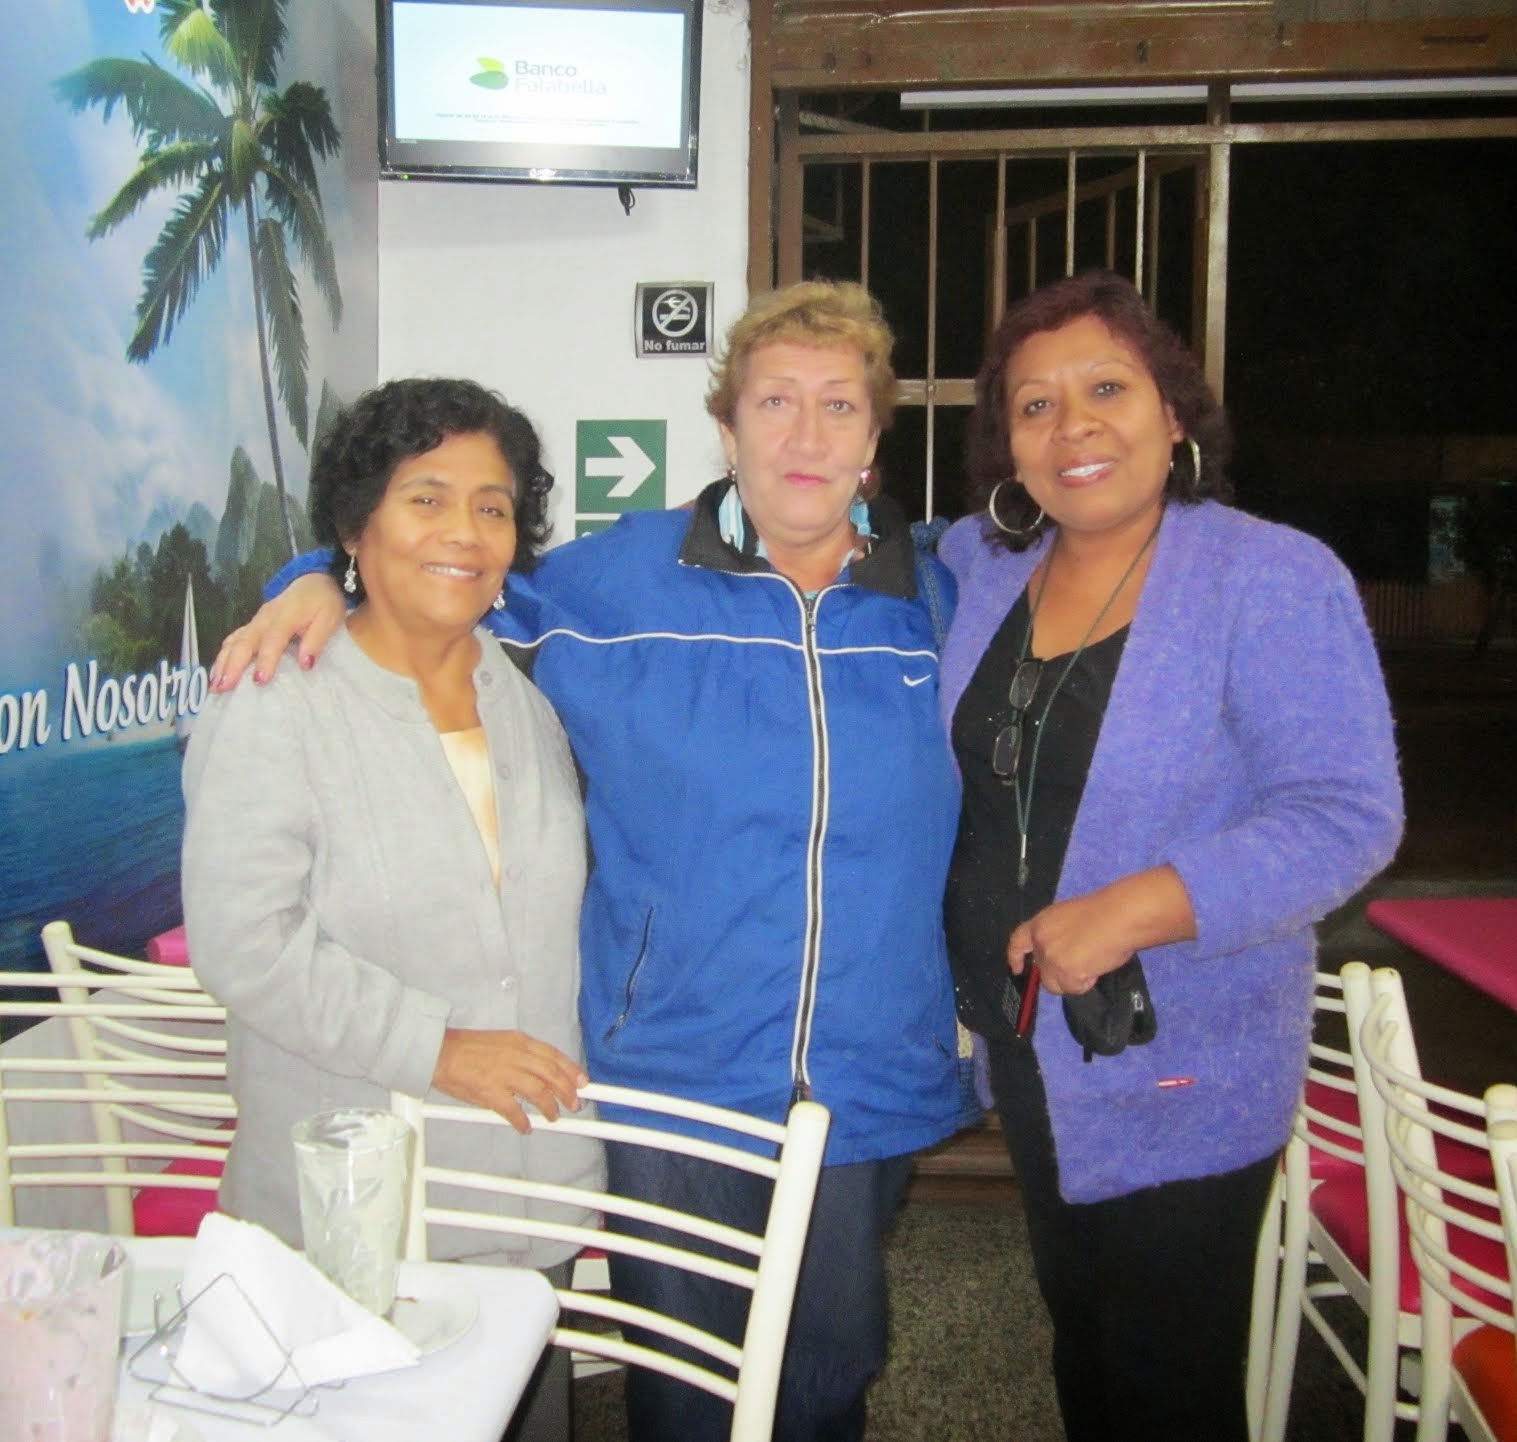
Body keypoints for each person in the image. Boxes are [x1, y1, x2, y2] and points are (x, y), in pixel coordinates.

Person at [208, 281, 966, 1442]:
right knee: (685, 1385)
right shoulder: (617, 582)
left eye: (838, 405)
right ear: (726, 427)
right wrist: (307, 574)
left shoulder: (939, 601)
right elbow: (437, 578)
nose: (805, 434)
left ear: (874, 437)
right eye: (775, 401)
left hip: (863, 1069)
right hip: (676, 1068)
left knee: (826, 1368)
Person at [938, 270, 1404, 1442]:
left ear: (1173, 415)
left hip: (1180, 1047)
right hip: (1031, 1036)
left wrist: (1140, 904)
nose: (1072, 424)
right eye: (1034, 405)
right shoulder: (983, 571)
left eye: (1106, 387)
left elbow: (1346, 812)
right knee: (1082, 1342)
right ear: (1008, 444)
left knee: (1166, 1380)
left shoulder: (1270, 575)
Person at [182, 377, 605, 1441]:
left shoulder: (530, 700)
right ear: (354, 526)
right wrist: (438, 1046)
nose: (465, 531)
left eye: (493, 504)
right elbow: (246, 944)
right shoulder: (280, 700)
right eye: (427, 497)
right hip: (353, 1217)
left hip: (527, 1199)